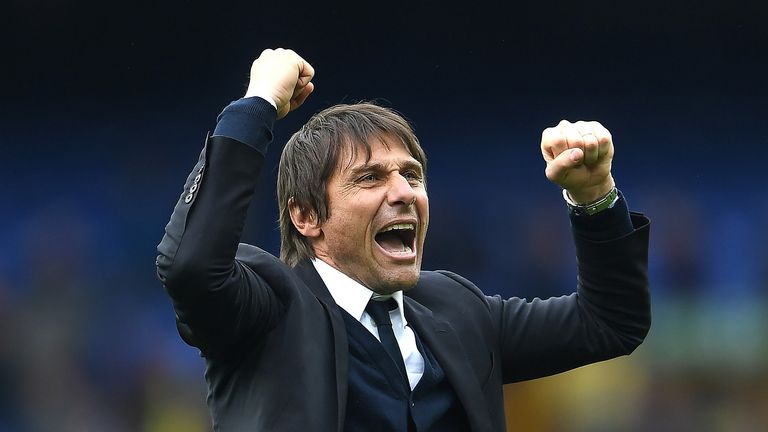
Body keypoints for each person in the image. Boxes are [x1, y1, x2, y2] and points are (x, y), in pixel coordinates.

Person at [156, 48, 651, 432]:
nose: (403, 193)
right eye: (370, 179)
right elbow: (192, 266)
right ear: (306, 216)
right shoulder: (266, 309)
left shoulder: (457, 309)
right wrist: (256, 104)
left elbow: (610, 322)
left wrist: (593, 197)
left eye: (412, 176)